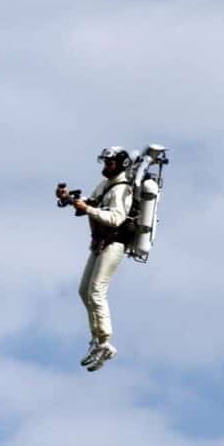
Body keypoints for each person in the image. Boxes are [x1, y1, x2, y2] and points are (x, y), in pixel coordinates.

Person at [56, 147, 135, 371]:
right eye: (105, 162)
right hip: (100, 243)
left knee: (96, 291)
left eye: (110, 163)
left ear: (121, 164)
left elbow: (116, 218)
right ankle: (98, 339)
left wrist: (88, 210)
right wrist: (69, 198)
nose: (106, 166)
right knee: (84, 291)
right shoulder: (106, 184)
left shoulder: (121, 189)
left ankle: (105, 343)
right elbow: (90, 202)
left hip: (114, 243)